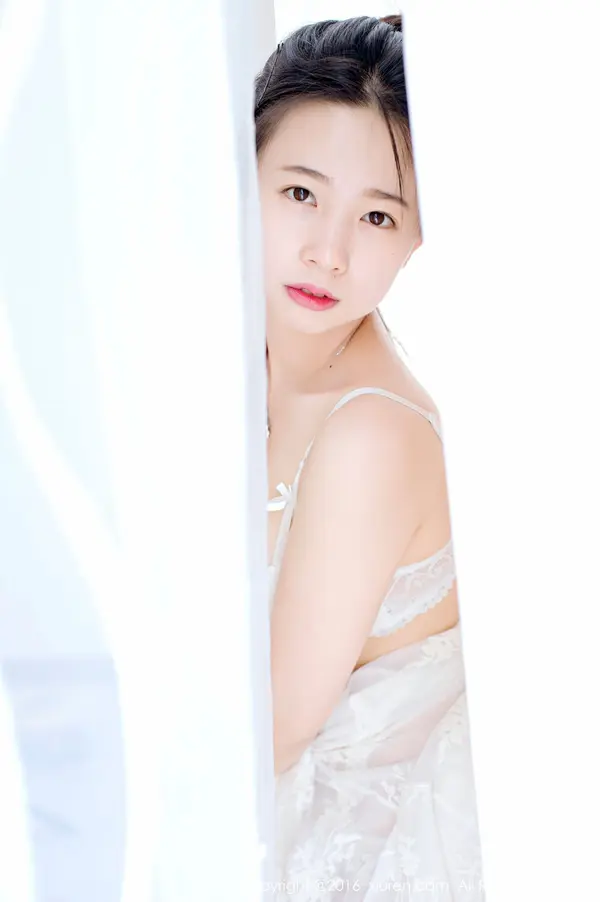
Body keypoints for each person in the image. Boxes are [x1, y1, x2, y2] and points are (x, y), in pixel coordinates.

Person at [256, 15, 484, 901]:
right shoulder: (232, 369)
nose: (330, 251)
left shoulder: (372, 435)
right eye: (300, 193)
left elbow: (266, 735)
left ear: (417, 238)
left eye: (378, 215)